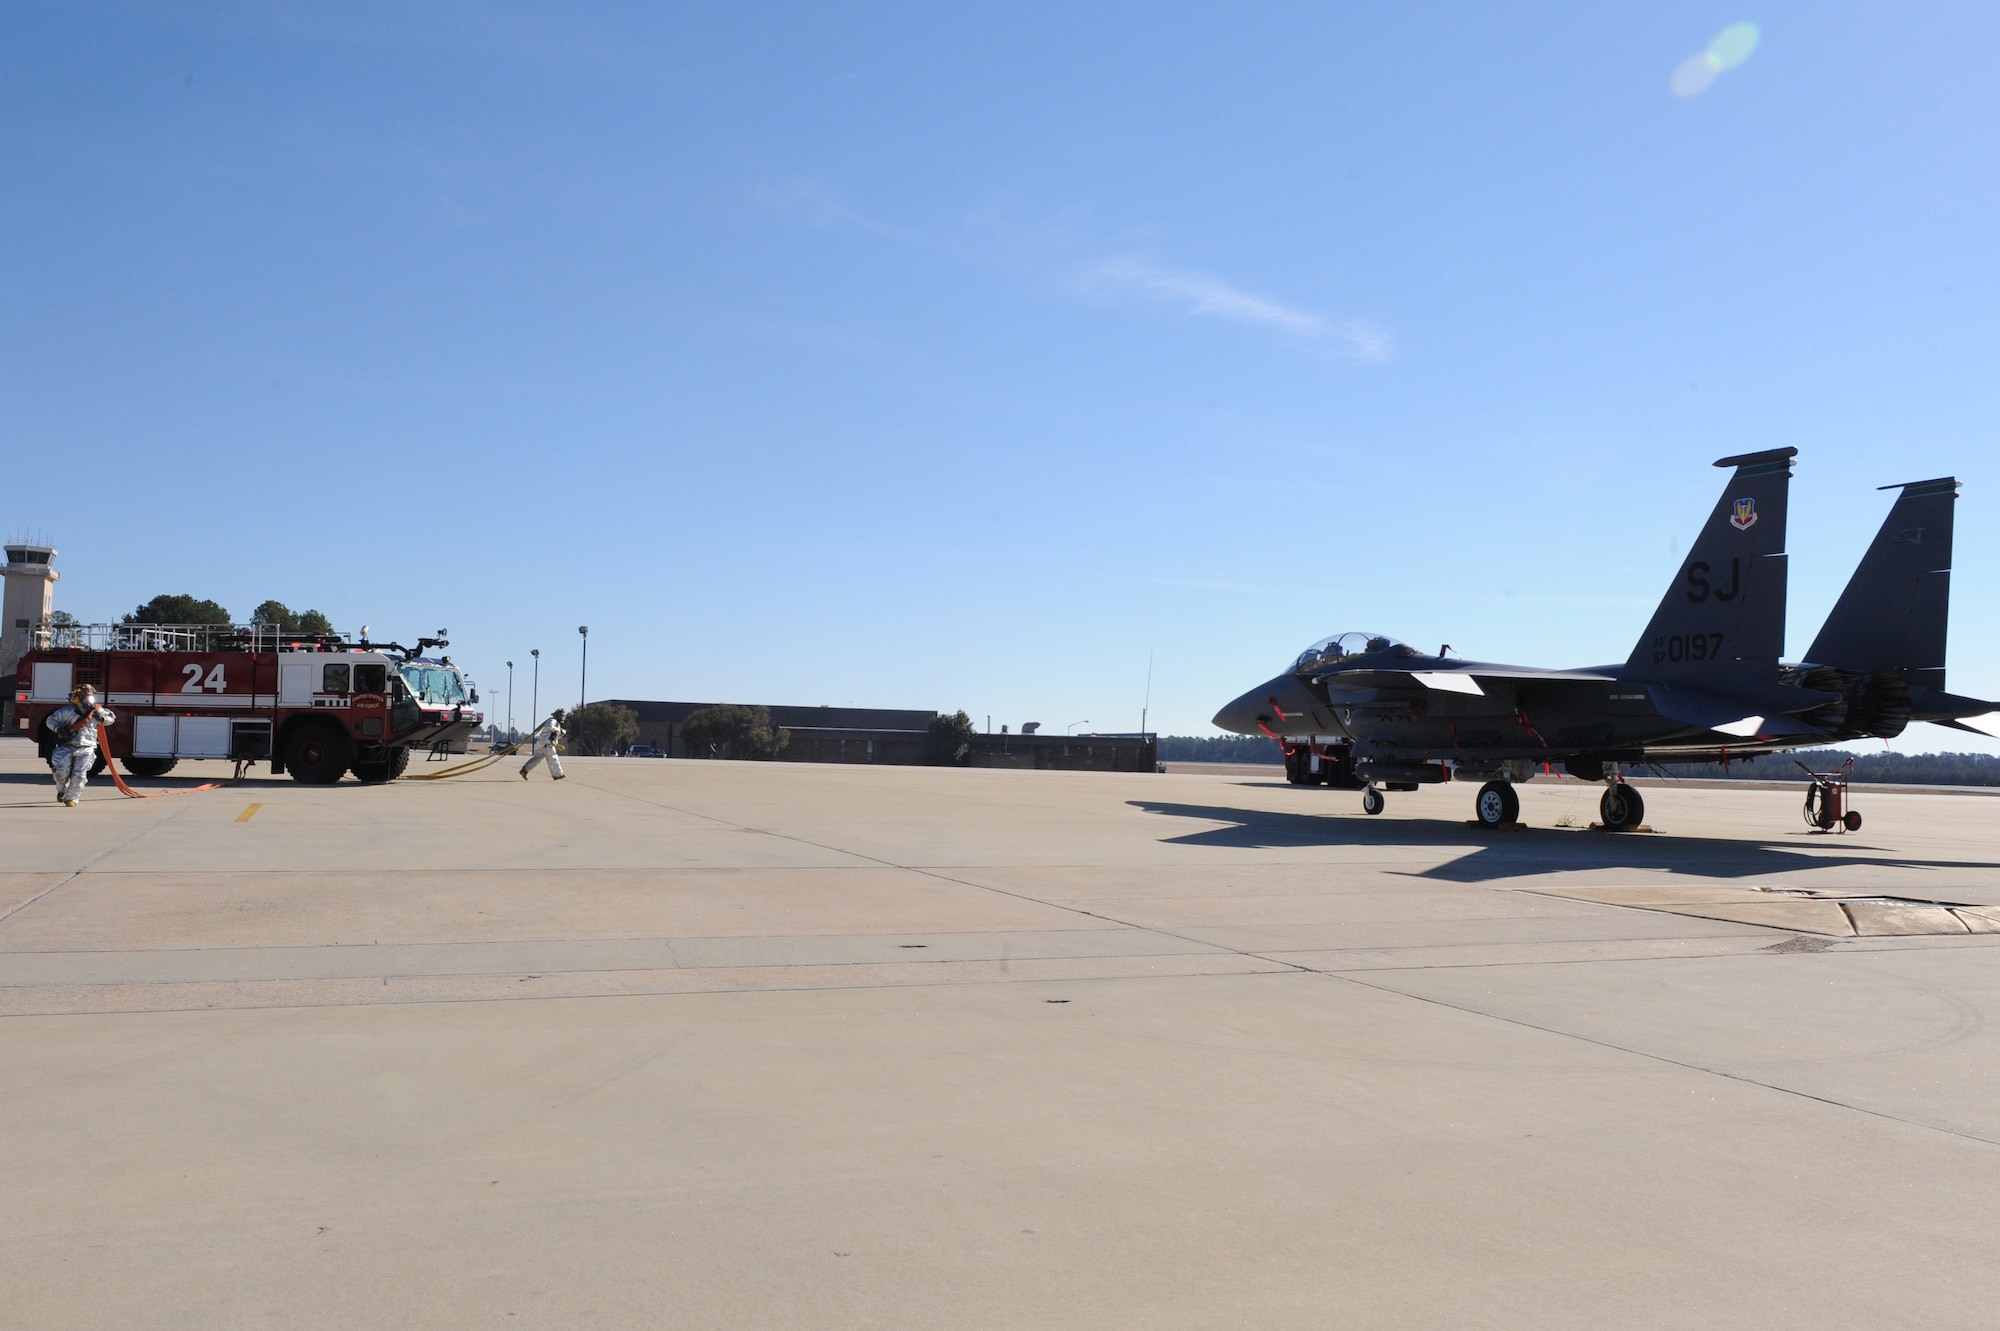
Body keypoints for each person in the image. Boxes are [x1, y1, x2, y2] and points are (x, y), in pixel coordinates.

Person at [46, 685, 116, 807]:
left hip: (86, 747)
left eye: (89, 697)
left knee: (80, 774)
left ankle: (71, 798)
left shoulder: (97, 711)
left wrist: (103, 718)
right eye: (84, 697)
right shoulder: (66, 712)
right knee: (60, 772)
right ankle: (62, 790)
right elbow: (50, 720)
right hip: (66, 746)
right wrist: (59, 729)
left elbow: (112, 718)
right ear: (77, 698)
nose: (88, 700)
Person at [521, 708, 567, 781]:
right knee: (553, 758)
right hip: (546, 743)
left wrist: (561, 734)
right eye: (561, 715)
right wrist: (559, 730)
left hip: (543, 743)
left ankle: (525, 770)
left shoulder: (557, 725)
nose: (562, 717)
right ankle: (557, 775)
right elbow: (549, 727)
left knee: (537, 758)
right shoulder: (552, 721)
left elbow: (555, 736)